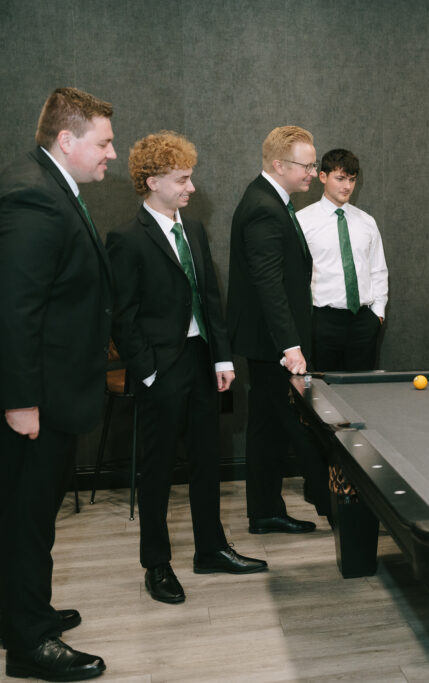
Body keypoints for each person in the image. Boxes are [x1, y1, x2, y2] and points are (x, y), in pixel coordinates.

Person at [106, 132, 268, 606]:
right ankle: (156, 564)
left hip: (202, 364)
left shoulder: (193, 230)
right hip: (161, 369)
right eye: (182, 179)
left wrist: (221, 356)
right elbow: (123, 316)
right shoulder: (126, 238)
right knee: (157, 471)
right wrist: (149, 372)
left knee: (206, 459)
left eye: (190, 177)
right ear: (152, 181)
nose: (191, 188)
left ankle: (211, 548)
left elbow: (209, 296)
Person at [0, 87, 114, 681]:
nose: (112, 155)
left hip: (51, 394)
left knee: (32, 517)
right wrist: (20, 401)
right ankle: (29, 644)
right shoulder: (33, 196)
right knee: (27, 520)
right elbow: (15, 308)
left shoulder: (49, 187)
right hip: (35, 400)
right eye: (104, 143)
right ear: (66, 141)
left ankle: (24, 612)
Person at [226, 126, 329, 534]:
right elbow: (268, 283)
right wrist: (291, 345)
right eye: (307, 165)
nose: (312, 172)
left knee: (266, 430)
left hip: (270, 343)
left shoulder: (272, 199)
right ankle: (337, 508)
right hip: (273, 346)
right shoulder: (263, 206)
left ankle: (264, 512)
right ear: (278, 164)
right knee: (299, 428)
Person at [296, 148, 388, 371]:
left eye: (352, 179)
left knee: (362, 392)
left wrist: (378, 314)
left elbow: (378, 270)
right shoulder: (302, 221)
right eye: (340, 178)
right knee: (322, 392)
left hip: (363, 322)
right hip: (322, 321)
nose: (347, 186)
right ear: (323, 177)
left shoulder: (367, 222)